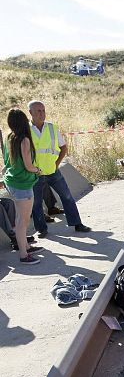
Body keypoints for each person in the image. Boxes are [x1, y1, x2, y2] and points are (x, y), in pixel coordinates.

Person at [28, 100, 91, 238]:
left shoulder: (52, 128)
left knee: (67, 196)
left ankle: (77, 223)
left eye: (43, 110)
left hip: (52, 171)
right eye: (38, 111)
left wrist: (56, 164)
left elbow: (63, 148)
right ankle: (41, 229)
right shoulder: (26, 131)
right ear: (30, 113)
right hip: (35, 174)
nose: (42, 113)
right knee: (36, 203)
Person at [2, 109, 44, 265]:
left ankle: (26, 246)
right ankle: (23, 254)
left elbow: (7, 163)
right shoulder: (24, 140)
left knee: (21, 219)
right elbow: (28, 166)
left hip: (12, 182)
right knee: (22, 221)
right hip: (22, 184)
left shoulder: (9, 137)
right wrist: (38, 170)